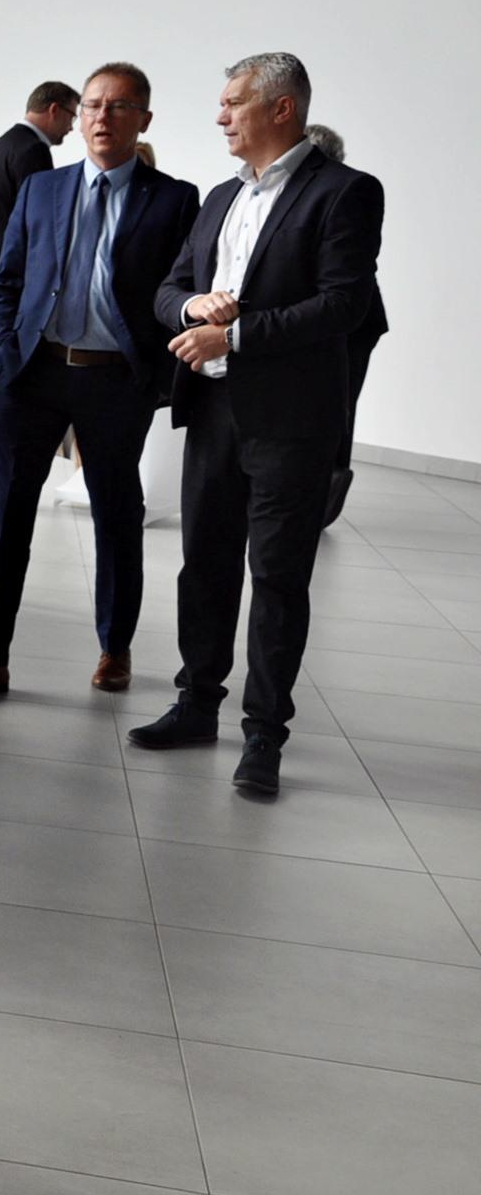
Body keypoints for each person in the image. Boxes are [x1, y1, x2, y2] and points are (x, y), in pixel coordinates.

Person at [131, 53, 386, 796]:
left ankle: (264, 734)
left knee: (276, 578)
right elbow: (169, 288)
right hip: (212, 411)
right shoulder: (220, 196)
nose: (220, 116)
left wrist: (235, 336)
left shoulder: (345, 191)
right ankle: (195, 704)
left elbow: (344, 304)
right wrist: (193, 307)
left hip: (290, 422)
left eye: (234, 102)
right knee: (204, 564)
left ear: (282, 108)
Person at [0, 63, 199, 701]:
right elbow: (7, 278)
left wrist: (153, 376)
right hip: (36, 374)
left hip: (115, 381)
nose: (103, 116)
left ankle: (115, 648)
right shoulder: (42, 189)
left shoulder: (173, 199)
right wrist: (5, 357)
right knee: (8, 517)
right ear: (78, 118)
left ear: (144, 120)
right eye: (93, 105)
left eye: (119, 106)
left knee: (117, 517)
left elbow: (177, 290)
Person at [0, 81, 80, 507]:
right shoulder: (32, 152)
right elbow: (38, 227)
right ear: (54, 109)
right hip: (5, 287)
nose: (72, 127)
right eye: (72, 116)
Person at [304, 123, 389, 526]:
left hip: (353, 325)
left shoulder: (347, 192)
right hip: (329, 321)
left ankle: (325, 496)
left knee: (339, 409)